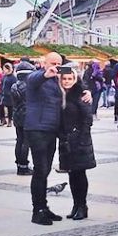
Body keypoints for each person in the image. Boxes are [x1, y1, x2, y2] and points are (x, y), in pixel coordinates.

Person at [26, 52, 65, 225]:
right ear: (44, 63)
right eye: (52, 63)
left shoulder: (57, 82)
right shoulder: (38, 77)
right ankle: (38, 211)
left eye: (58, 63)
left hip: (51, 130)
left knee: (46, 169)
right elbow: (32, 79)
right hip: (37, 129)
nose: (55, 66)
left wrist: (86, 92)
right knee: (40, 169)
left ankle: (44, 206)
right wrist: (44, 74)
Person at [58, 64, 95, 221]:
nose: (67, 81)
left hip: (79, 141)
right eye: (64, 79)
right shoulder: (60, 94)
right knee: (72, 175)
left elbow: (88, 118)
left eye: (70, 79)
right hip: (66, 141)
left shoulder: (81, 94)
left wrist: (80, 136)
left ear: (75, 79)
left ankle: (82, 206)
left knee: (80, 174)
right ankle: (75, 205)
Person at [10, 60, 33, 175]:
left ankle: (19, 165)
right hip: (27, 117)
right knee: (26, 142)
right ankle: (23, 166)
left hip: (17, 116)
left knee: (19, 141)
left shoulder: (14, 85)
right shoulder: (29, 86)